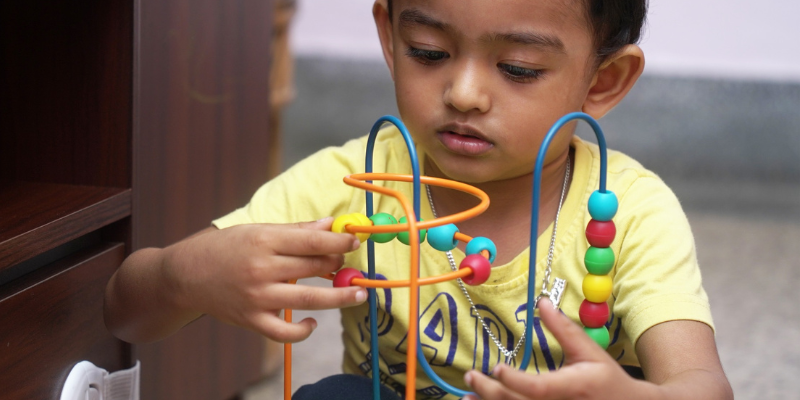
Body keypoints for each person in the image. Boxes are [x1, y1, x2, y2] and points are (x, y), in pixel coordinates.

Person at [104, 0, 734, 399]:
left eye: (517, 68)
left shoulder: (630, 209)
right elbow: (125, 312)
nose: (463, 93)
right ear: (389, 33)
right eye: (429, 53)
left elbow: (703, 386)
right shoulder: (355, 180)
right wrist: (186, 276)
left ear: (603, 81)